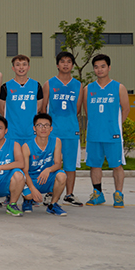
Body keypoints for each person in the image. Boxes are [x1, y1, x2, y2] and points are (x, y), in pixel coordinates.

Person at [79, 54, 130, 209]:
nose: (99, 70)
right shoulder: (88, 89)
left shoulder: (119, 87)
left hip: (113, 135)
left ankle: (118, 194)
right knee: (95, 165)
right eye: (96, 67)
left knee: (117, 165)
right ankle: (98, 194)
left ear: (109, 67)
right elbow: (88, 112)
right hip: (94, 135)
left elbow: (126, 109)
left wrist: (115, 126)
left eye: (102, 66)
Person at [42, 52, 84, 207]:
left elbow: (77, 109)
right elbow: (43, 108)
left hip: (71, 130)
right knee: (52, 163)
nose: (65, 64)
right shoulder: (49, 83)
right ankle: (50, 193)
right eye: (62, 61)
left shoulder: (78, 85)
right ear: (57, 64)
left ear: (72, 65)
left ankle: (69, 194)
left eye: (69, 61)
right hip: (54, 132)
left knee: (70, 165)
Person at [21, 113, 68, 216]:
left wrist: (48, 170)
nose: (43, 128)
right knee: (29, 194)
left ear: (51, 128)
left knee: (62, 175)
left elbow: (58, 164)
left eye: (46, 125)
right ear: (34, 128)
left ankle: (53, 205)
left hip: (46, 177)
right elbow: (25, 172)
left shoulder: (56, 141)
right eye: (40, 125)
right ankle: (27, 200)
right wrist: (33, 189)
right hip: (32, 179)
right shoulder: (26, 146)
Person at [0, 55, 43, 144]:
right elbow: (1, 108)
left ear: (28, 67)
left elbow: (38, 107)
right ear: (13, 68)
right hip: (12, 133)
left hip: (31, 132)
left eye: (24, 64)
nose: (21, 67)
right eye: (18, 65)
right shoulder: (5, 87)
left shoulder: (36, 85)